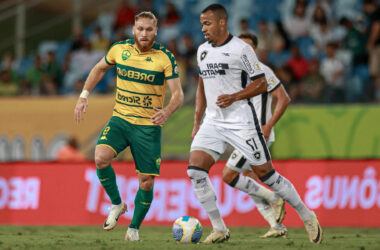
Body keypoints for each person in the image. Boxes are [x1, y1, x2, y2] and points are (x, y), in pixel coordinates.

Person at [188, 4, 322, 244]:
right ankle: (219, 228)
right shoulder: (202, 51)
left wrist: (235, 97)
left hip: (242, 122)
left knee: (267, 175)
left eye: (207, 23)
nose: (203, 28)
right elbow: (201, 87)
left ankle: (306, 214)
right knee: (195, 171)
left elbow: (261, 83)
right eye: (201, 24)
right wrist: (197, 121)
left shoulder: (242, 50)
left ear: (221, 22)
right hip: (213, 122)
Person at [74, 11, 183, 241]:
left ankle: (133, 229)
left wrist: (167, 111)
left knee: (146, 181)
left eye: (149, 29)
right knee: (100, 157)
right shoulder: (118, 50)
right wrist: (84, 95)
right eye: (140, 29)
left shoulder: (165, 57)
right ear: (133, 30)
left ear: (156, 31)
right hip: (121, 119)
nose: (144, 33)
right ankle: (117, 203)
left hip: (147, 126)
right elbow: (98, 69)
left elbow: (178, 95)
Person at [222, 32, 291, 239]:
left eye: (248, 47)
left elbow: (283, 99)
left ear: (255, 50)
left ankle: (275, 196)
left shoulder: (262, 70)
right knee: (250, 179)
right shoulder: (235, 74)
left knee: (228, 175)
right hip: (243, 134)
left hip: (257, 134)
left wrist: (268, 125)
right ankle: (275, 226)